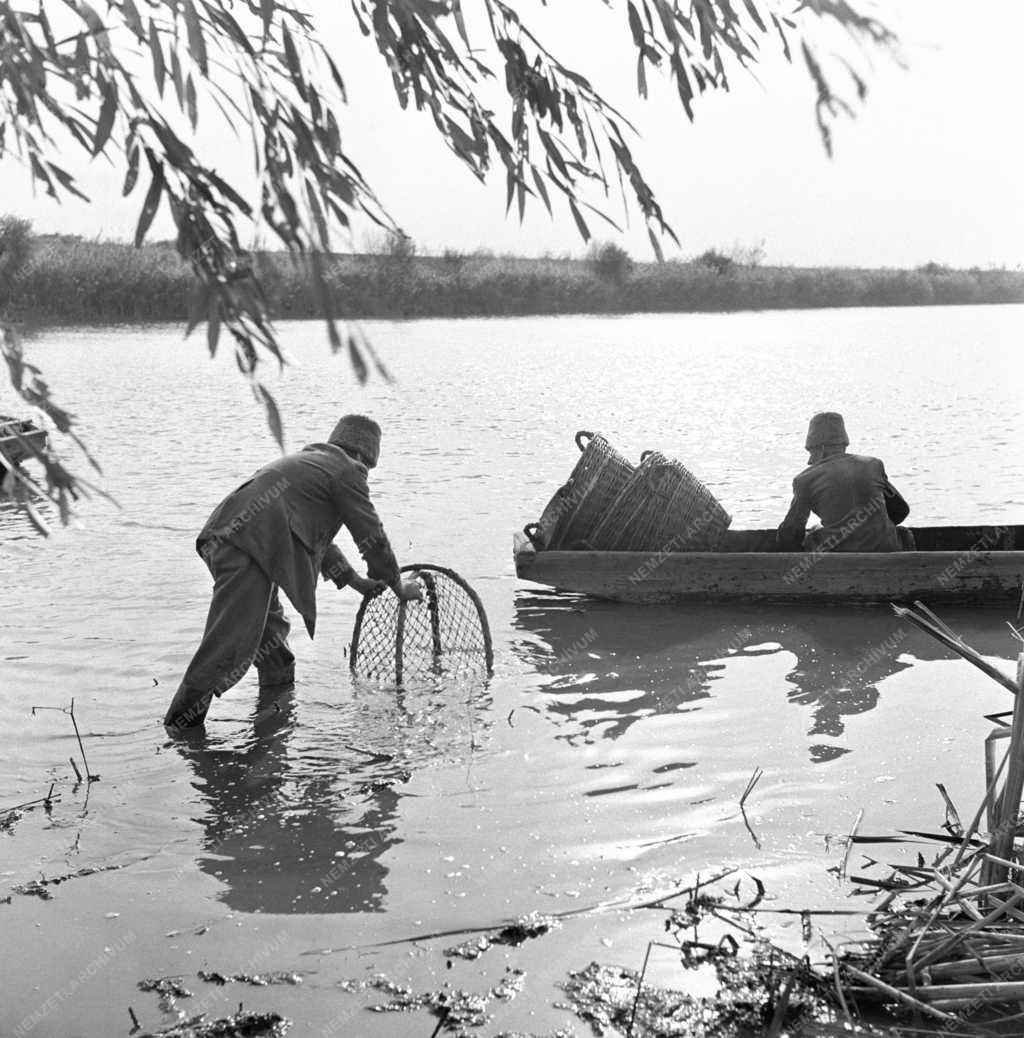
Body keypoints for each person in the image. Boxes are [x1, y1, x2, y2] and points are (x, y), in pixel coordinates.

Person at [164, 414, 421, 730]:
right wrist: (399, 586)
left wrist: (356, 583)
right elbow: (373, 538)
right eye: (368, 468)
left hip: (237, 543)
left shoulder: (313, 463)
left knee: (275, 653)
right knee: (226, 648)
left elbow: (313, 538)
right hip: (248, 549)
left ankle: (272, 733)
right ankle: (179, 730)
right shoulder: (347, 472)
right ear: (362, 456)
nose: (365, 475)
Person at [777, 412, 910, 553]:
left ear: (821, 448)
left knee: (812, 535)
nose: (809, 461)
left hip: (834, 558)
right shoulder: (873, 465)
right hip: (886, 552)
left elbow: (791, 533)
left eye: (811, 452)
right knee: (903, 534)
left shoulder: (804, 479)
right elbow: (901, 511)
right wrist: (870, 529)